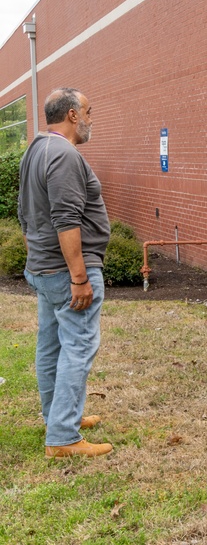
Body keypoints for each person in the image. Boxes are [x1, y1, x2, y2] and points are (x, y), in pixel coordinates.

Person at [18, 88, 113, 458]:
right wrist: (78, 277)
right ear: (72, 115)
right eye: (89, 111)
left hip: (43, 268)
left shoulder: (35, 149)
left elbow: (26, 214)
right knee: (78, 347)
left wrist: (37, 259)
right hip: (68, 270)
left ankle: (57, 416)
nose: (92, 118)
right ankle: (62, 437)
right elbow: (66, 218)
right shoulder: (64, 154)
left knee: (51, 344)